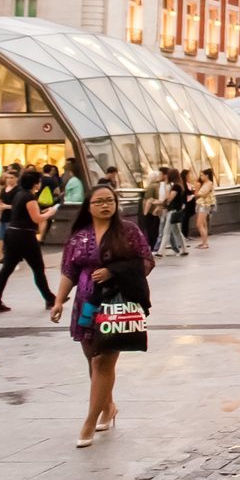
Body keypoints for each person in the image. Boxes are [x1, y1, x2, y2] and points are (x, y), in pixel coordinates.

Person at [50, 183, 156, 448]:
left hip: (115, 303)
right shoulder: (79, 236)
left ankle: (89, 421)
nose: (105, 205)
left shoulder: (128, 232)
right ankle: (108, 407)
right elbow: (69, 271)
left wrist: (114, 272)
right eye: (99, 201)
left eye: (110, 200)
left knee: (103, 362)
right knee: (91, 359)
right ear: (89, 206)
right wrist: (59, 300)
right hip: (86, 304)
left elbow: (146, 262)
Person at [0, 168, 59, 313]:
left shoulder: (19, 194)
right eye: (39, 181)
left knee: (7, 269)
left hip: (12, 234)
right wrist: (50, 213)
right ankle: (50, 299)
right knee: (38, 268)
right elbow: (36, 219)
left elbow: (24, 213)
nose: (40, 183)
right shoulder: (29, 197)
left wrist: (42, 212)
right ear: (35, 183)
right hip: (25, 236)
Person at [155, 168, 187, 257]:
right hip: (176, 211)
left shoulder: (175, 187)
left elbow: (169, 199)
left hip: (173, 211)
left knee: (166, 231)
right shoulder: (179, 185)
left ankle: (160, 252)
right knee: (177, 231)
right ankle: (184, 249)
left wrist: (161, 202)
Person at [193, 169, 215, 249]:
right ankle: (204, 242)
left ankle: (205, 243)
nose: (200, 177)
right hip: (201, 204)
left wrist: (196, 190)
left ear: (207, 175)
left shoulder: (209, 183)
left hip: (205, 205)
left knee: (199, 224)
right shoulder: (204, 183)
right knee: (203, 224)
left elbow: (202, 193)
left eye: (202, 175)